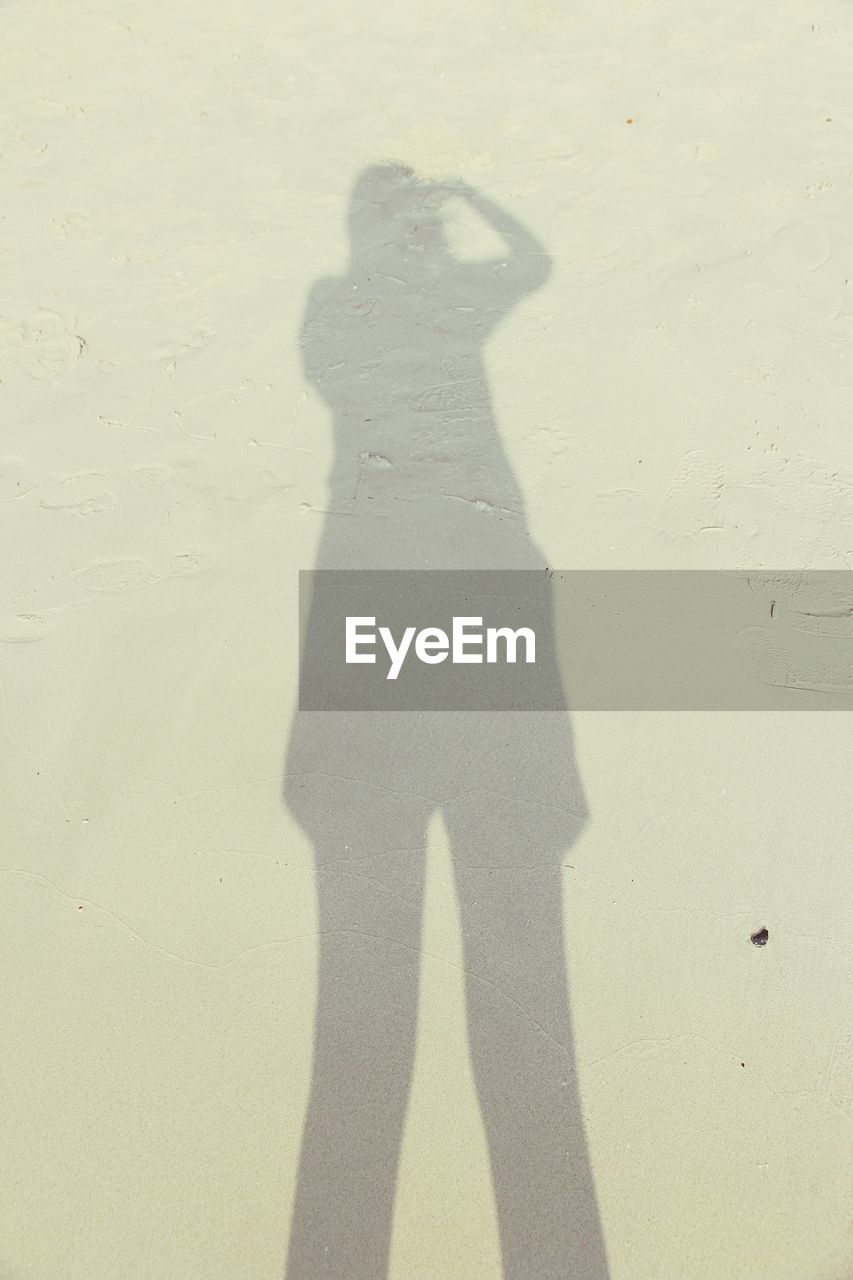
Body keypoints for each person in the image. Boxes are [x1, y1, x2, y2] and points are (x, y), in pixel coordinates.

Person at [283, 164, 610, 1279]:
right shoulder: (353, 306)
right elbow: (351, 363)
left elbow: (530, 264)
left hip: (449, 674)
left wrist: (467, 202)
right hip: (405, 675)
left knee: (514, 1034)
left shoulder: (423, 301)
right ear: (370, 226)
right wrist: (442, 224)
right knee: (377, 1034)